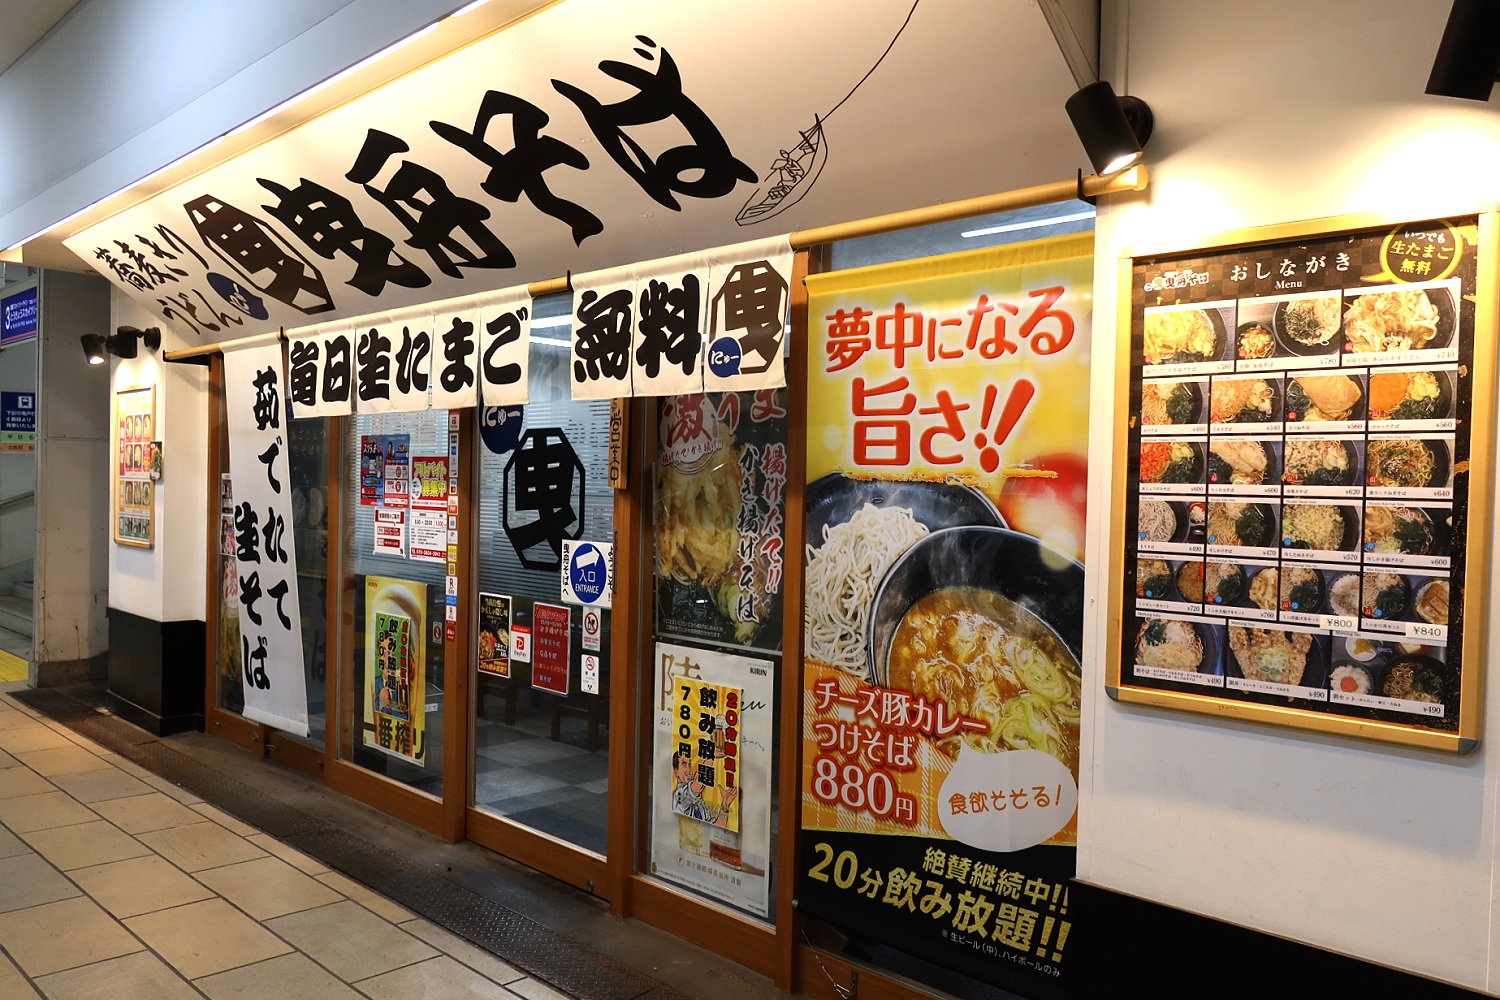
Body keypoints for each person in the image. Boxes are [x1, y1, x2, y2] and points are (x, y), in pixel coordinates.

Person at [672, 752, 739, 828]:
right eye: (684, 764)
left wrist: (725, 805)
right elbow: (698, 785)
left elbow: (717, 825)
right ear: (676, 771)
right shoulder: (679, 795)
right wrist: (711, 755)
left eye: (689, 765)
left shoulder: (700, 803)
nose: (689, 769)